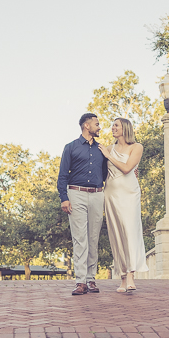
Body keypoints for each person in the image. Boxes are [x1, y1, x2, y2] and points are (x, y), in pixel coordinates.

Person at [57, 113, 107, 296]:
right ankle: (80, 281)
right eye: (97, 124)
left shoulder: (102, 149)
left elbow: (106, 173)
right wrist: (64, 198)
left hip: (97, 194)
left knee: (93, 238)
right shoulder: (70, 147)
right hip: (75, 194)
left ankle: (91, 279)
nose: (99, 127)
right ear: (87, 126)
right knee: (80, 238)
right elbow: (62, 175)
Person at [99, 117, 148, 292]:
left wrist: (108, 156)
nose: (113, 128)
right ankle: (121, 277)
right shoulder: (108, 148)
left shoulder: (137, 147)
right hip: (111, 193)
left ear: (125, 128)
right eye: (112, 125)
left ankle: (131, 275)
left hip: (129, 193)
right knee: (116, 234)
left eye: (116, 125)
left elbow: (127, 168)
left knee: (130, 231)